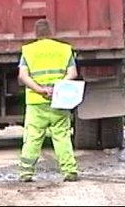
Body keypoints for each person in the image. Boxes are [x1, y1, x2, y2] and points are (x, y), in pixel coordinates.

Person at [17, 19, 79, 183]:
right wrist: (57, 87)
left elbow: (23, 76)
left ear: (35, 34)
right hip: (58, 101)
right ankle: (69, 170)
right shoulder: (64, 49)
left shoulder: (28, 51)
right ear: (51, 32)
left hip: (36, 102)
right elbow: (72, 73)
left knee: (33, 137)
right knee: (62, 136)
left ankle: (26, 173)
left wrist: (40, 90)